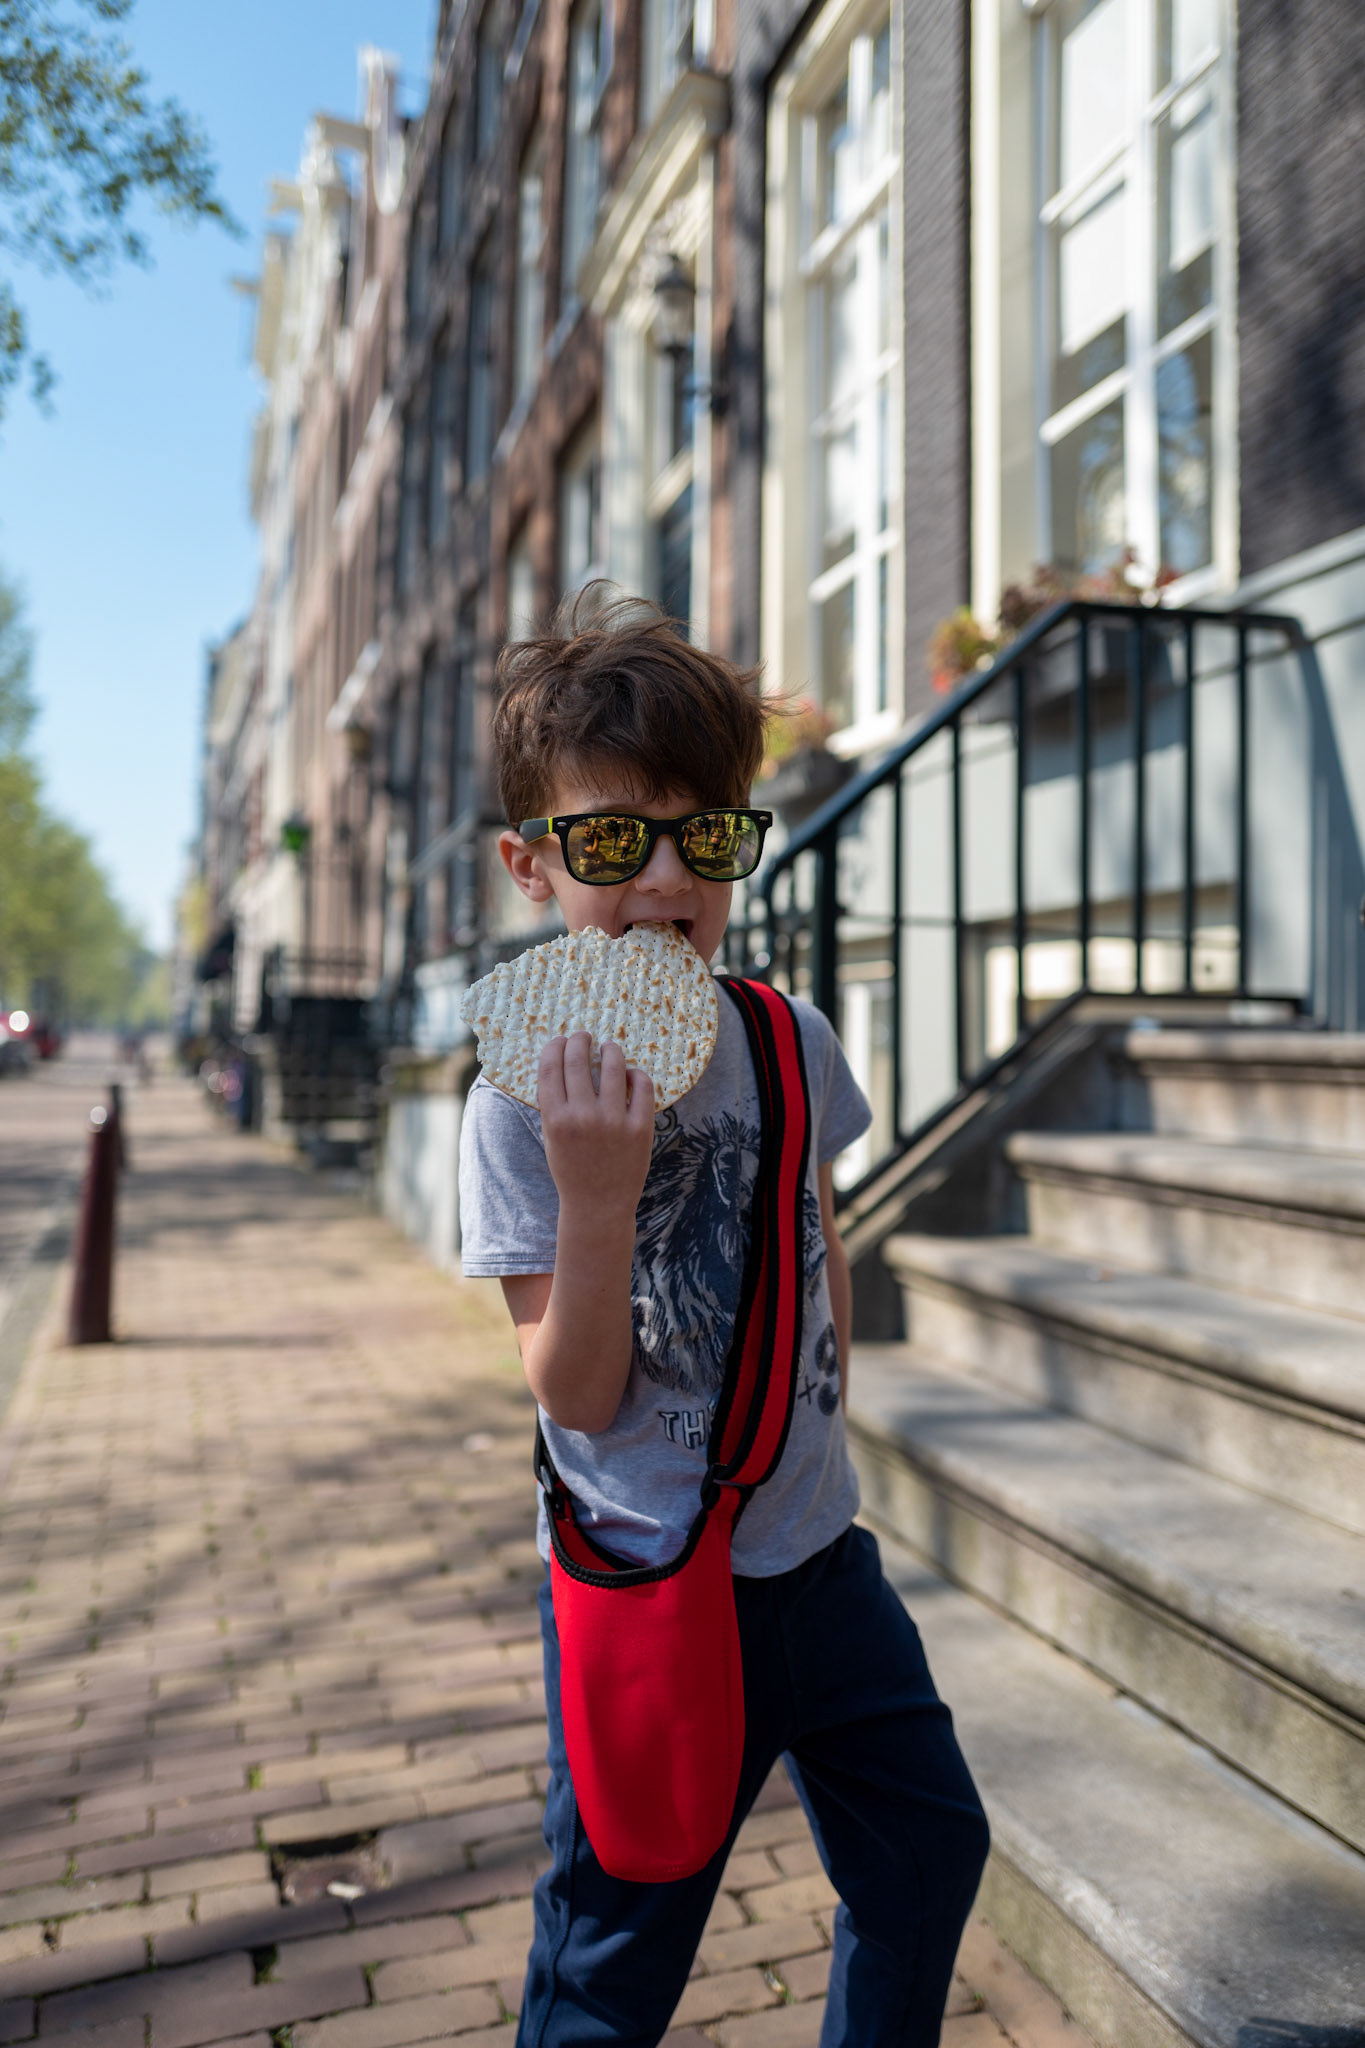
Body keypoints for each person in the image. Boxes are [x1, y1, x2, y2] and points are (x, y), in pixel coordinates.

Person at [458, 596, 990, 2048]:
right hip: (651, 1585)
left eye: (706, 836)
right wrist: (596, 1197)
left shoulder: (786, 1037)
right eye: (611, 844)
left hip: (820, 1558)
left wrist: (821, 1431)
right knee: (613, 1958)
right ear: (531, 866)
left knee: (927, 1855)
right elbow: (574, 1396)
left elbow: (817, 1243)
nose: (665, 878)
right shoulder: (514, 1102)